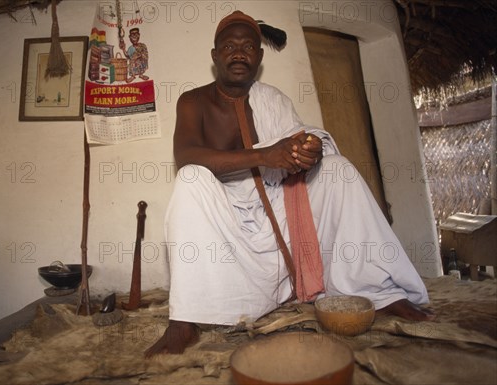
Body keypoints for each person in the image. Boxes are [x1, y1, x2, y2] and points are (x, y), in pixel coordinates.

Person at [145, 10, 434, 358]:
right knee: (190, 178)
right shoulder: (193, 101)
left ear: (259, 57)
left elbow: (293, 152)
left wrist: (305, 152)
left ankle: (379, 292)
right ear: (214, 55)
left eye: (248, 47)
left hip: (279, 207)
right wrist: (264, 156)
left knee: (337, 170)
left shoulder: (273, 100)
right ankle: (185, 321)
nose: (239, 53)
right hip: (224, 216)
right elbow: (186, 154)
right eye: (229, 46)